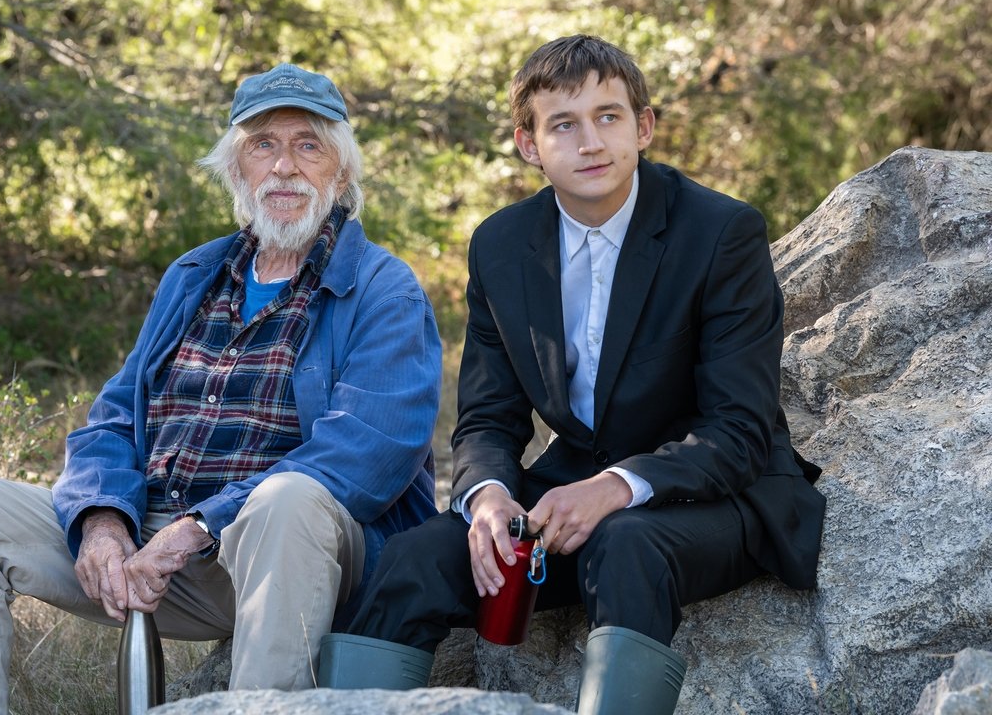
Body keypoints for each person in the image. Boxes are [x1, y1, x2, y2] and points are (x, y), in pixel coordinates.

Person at [0, 63, 442, 712]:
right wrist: (103, 521)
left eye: (309, 144)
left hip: (290, 556)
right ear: (236, 169)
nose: (284, 166)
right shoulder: (195, 275)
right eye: (262, 145)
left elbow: (368, 452)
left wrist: (197, 526)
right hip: (154, 543)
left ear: (343, 172)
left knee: (290, 499)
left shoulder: (384, 288)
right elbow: (112, 420)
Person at [321, 35, 826, 714]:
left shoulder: (720, 232)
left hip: (718, 495)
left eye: (609, 117)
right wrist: (491, 495)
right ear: (530, 145)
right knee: (414, 558)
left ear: (643, 127)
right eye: (564, 124)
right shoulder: (501, 245)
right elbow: (486, 418)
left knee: (625, 543)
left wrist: (614, 489)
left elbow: (736, 430)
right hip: (568, 491)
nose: (591, 141)